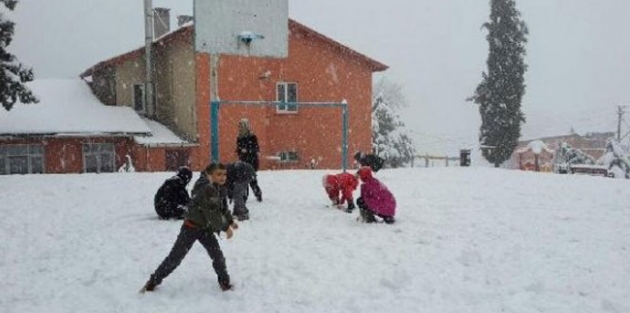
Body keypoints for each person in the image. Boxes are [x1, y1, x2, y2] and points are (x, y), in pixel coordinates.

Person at [141, 163, 239, 293]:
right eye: (219, 174)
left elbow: (221, 208)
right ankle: (153, 281)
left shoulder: (219, 188)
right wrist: (226, 227)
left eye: (224, 174)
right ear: (210, 175)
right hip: (191, 228)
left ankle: (224, 282)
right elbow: (212, 213)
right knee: (175, 258)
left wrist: (230, 221)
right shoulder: (206, 189)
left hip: (205, 229)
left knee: (217, 255)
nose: (223, 177)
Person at [235, 118, 263, 202]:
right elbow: (239, 149)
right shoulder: (239, 137)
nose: (239, 128)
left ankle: (258, 194)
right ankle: (244, 196)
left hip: (252, 161)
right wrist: (239, 150)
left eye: (241, 126)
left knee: (252, 180)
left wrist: (247, 150)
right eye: (239, 126)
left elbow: (256, 149)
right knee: (243, 179)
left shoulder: (252, 137)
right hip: (243, 161)